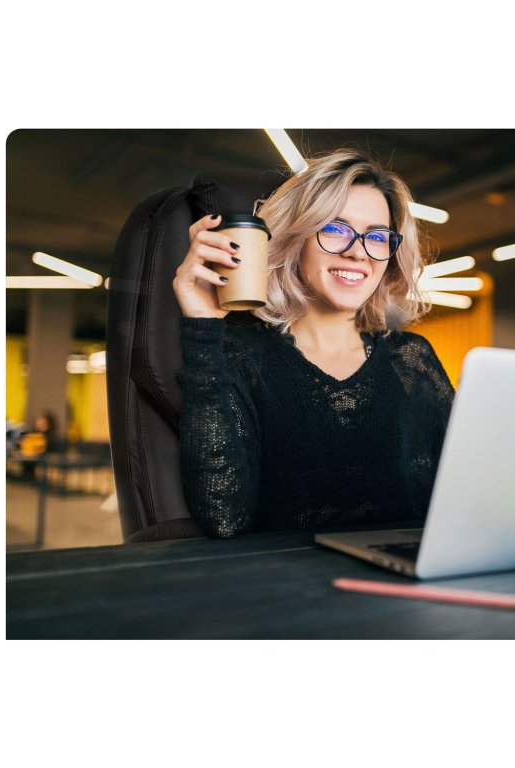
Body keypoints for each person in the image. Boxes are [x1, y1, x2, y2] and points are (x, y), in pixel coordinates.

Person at [173, 148, 455, 538]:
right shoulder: (240, 355)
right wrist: (203, 328)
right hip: (295, 575)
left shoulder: (410, 359)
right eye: (336, 229)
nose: (357, 252)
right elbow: (223, 518)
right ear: (296, 239)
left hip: (407, 570)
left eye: (377, 236)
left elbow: (465, 492)